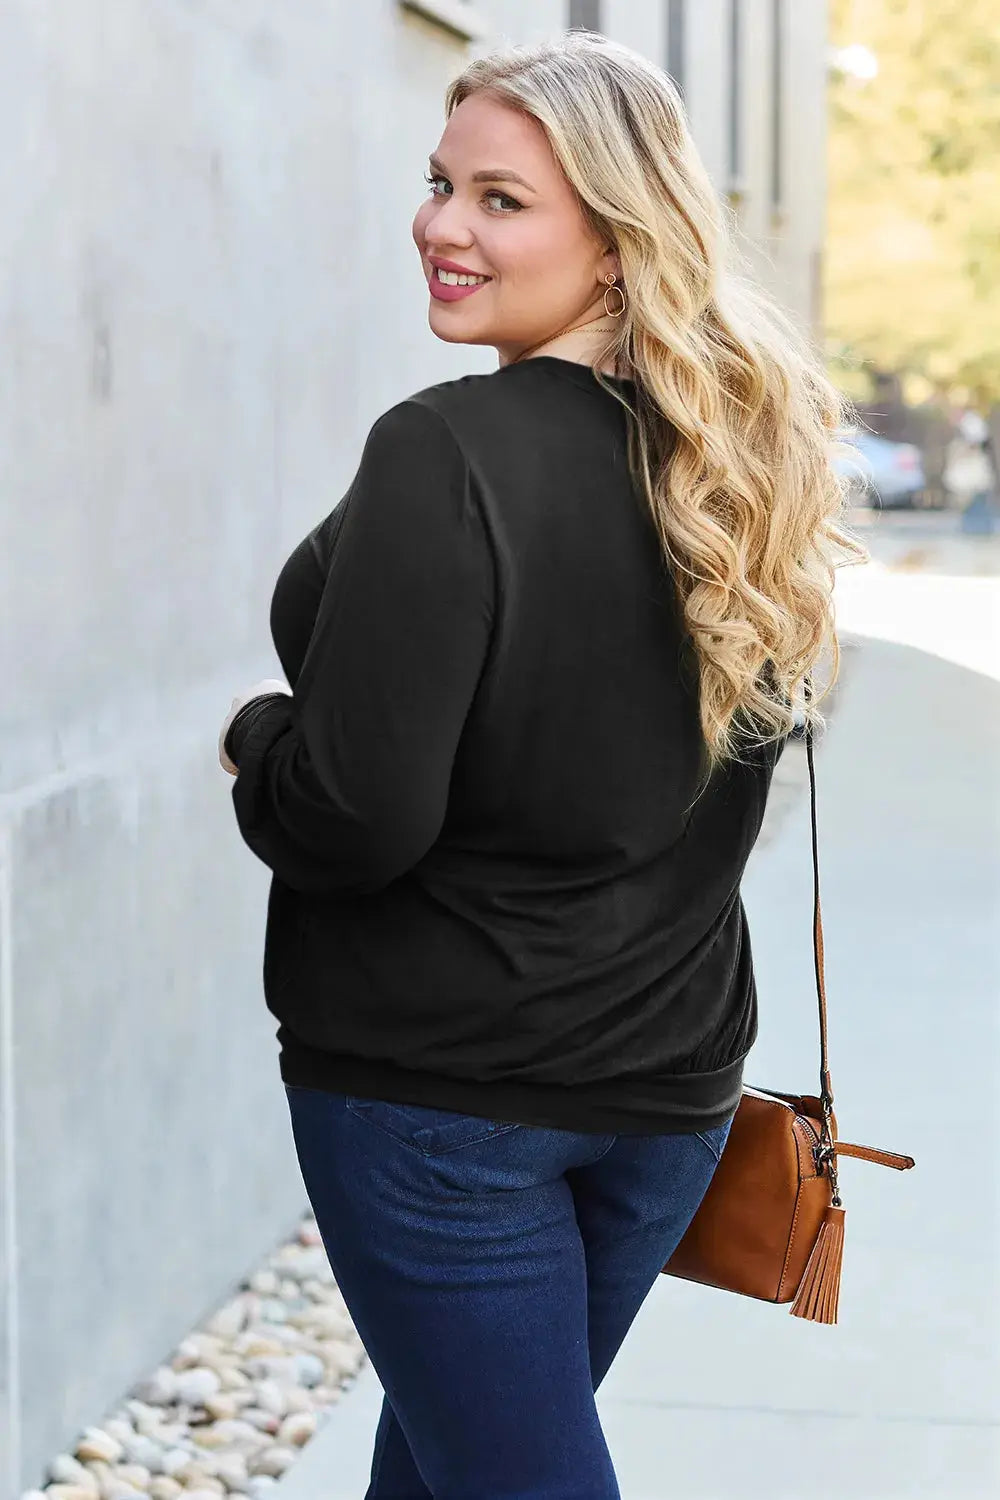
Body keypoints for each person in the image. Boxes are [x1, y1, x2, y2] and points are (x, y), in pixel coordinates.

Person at [218, 31, 863, 1500]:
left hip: (448, 1109)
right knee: (449, 1472)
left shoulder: (444, 452)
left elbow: (349, 822)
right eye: (440, 183)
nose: (442, 226)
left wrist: (252, 741)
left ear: (622, 240)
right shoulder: (738, 465)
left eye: (501, 200)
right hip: (667, 1103)